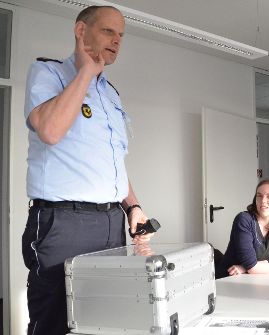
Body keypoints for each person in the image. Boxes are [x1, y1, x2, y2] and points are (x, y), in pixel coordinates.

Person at [21, 6, 153, 335]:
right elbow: (50, 130)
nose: (117, 41)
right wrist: (85, 72)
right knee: (55, 322)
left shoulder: (111, 94)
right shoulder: (48, 73)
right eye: (109, 31)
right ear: (81, 31)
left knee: (104, 318)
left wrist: (133, 206)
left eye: (121, 35)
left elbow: (113, 163)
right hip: (63, 224)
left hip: (110, 223)